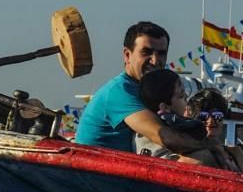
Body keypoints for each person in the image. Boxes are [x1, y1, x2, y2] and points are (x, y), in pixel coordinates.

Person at [74, 22, 233, 168]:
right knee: (201, 158)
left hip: (120, 174)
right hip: (96, 174)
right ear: (127, 55)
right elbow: (165, 137)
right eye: (146, 52)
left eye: (161, 53)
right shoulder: (121, 91)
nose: (155, 60)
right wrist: (210, 145)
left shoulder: (148, 89)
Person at [134, 69, 204, 158]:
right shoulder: (176, 128)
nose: (187, 97)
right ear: (165, 107)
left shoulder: (141, 133)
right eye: (181, 95)